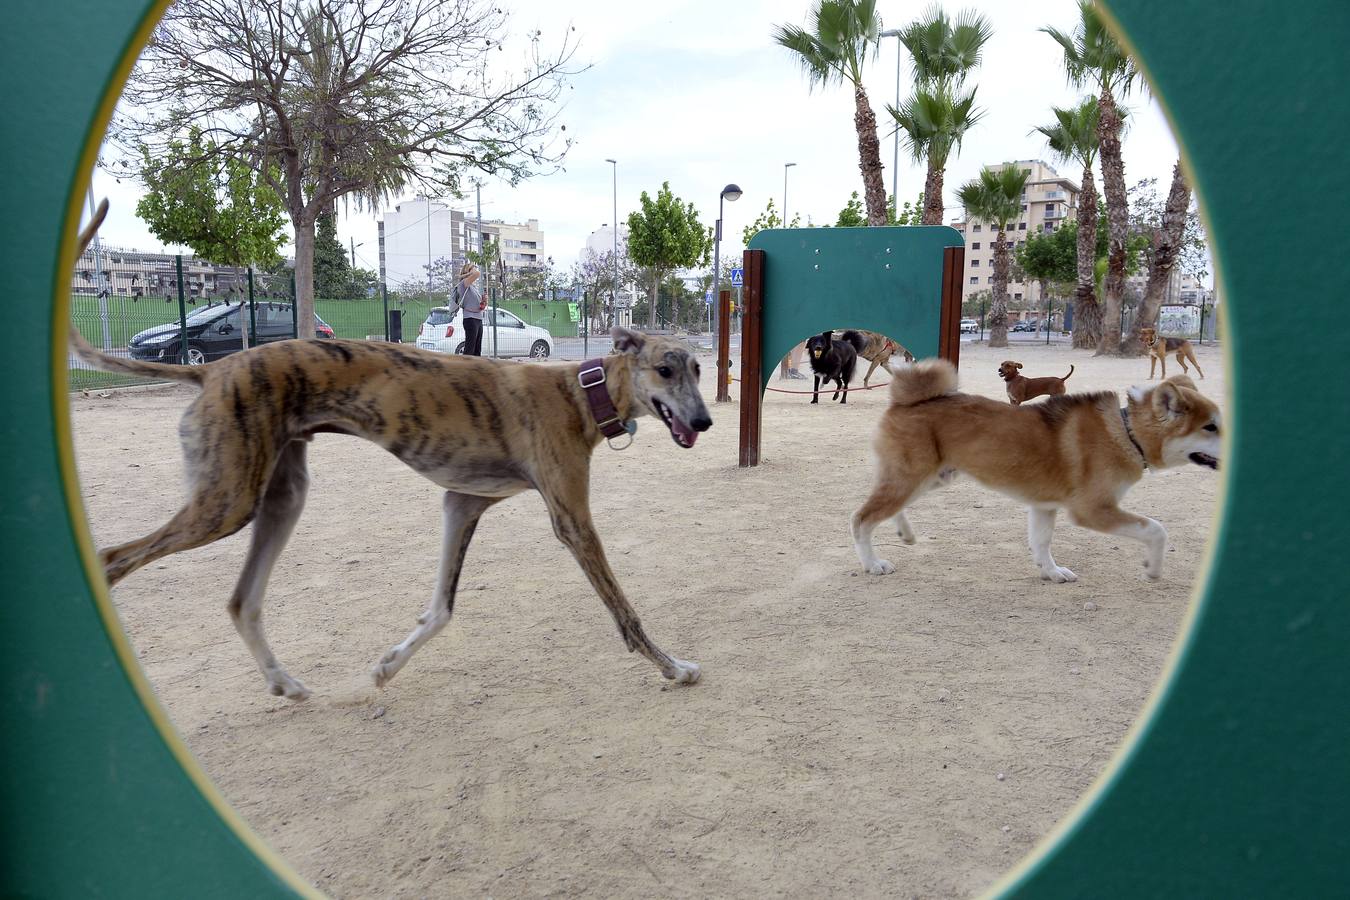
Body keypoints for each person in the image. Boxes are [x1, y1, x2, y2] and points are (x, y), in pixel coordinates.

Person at [452, 262, 486, 356]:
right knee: (470, 348)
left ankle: (475, 368)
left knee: (477, 349)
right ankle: (465, 367)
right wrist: (469, 273)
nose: (475, 269)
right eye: (473, 268)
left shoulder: (473, 287)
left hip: (478, 319)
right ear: (468, 270)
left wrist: (484, 301)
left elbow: (481, 306)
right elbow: (477, 274)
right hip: (470, 319)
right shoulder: (464, 283)